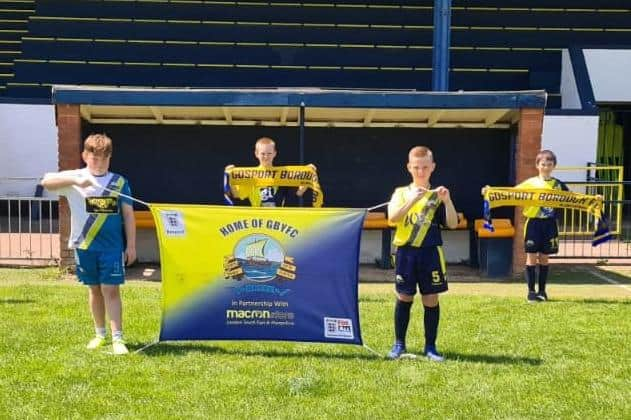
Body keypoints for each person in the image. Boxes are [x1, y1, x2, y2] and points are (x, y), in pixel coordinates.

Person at [42, 134, 136, 355]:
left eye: (104, 159)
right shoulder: (75, 178)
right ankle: (100, 334)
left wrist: (131, 246)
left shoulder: (119, 182)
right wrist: (75, 181)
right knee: (94, 290)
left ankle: (118, 338)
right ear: (85, 156)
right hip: (84, 246)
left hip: (112, 248)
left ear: (110, 158)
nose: (99, 163)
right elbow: (46, 182)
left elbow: (129, 215)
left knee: (111, 290)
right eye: (94, 158)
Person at [386, 146, 458, 361]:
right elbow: (392, 219)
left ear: (432, 167)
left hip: (430, 253)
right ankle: (399, 344)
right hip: (406, 253)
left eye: (425, 167)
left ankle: (430, 347)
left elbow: (453, 224)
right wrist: (411, 201)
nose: (420, 171)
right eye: (416, 167)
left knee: (431, 298)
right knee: (404, 296)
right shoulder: (401, 192)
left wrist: (447, 201)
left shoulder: (438, 195)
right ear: (409, 167)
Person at [515, 150, 568, 303]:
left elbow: (575, 199)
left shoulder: (558, 185)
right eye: (543, 164)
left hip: (550, 224)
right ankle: (531, 292)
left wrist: (594, 199)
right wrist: (490, 191)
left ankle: (542, 291)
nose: (546, 167)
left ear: (554, 166)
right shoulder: (530, 183)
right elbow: (511, 193)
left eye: (549, 164)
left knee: (544, 258)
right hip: (533, 223)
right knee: (531, 257)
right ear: (537, 165)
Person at [225, 136, 313, 207]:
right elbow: (236, 194)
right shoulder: (250, 175)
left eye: (269, 153)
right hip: (257, 221)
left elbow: (299, 192)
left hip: (278, 221)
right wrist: (230, 177)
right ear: (256, 154)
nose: (266, 157)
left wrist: (309, 173)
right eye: (263, 154)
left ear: (275, 153)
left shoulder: (283, 174)